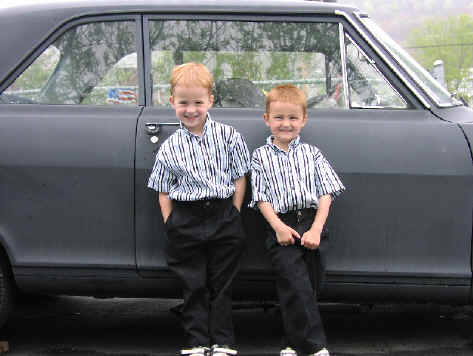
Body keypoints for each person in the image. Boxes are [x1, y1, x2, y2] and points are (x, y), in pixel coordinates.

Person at [147, 62, 250, 356]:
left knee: (222, 283)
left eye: (197, 102)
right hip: (186, 219)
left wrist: (234, 212)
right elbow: (163, 190)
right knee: (192, 284)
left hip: (223, 216)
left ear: (210, 101)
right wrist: (171, 222)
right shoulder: (170, 147)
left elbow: (239, 177)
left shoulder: (229, 136)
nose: (190, 110)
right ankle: (196, 341)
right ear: (172, 103)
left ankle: (223, 341)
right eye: (183, 103)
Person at [250, 85, 345, 356]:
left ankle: (291, 343)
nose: (286, 124)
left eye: (292, 118)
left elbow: (326, 194)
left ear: (303, 119)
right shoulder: (260, 157)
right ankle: (316, 346)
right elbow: (261, 199)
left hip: (312, 224)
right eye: (278, 118)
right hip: (282, 226)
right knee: (295, 284)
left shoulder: (312, 154)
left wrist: (316, 229)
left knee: (309, 288)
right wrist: (278, 227)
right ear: (267, 119)